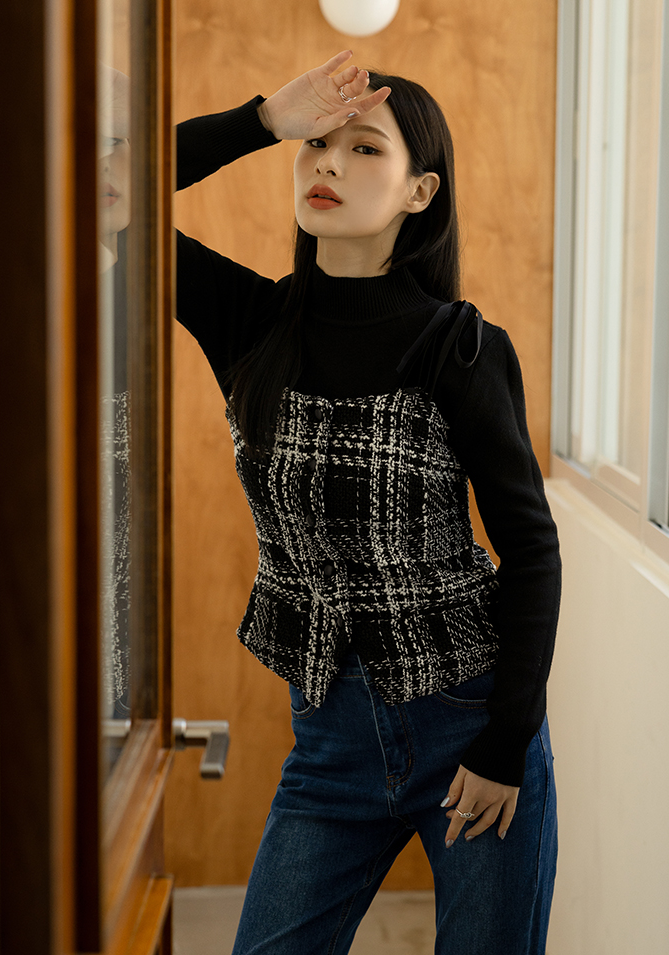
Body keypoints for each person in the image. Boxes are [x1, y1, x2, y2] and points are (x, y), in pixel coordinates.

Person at [175, 51, 560, 955]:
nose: (327, 164)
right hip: (330, 739)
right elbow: (91, 193)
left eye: (363, 148)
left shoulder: (460, 346)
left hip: (471, 722)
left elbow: (530, 551)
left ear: (419, 192)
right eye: (315, 145)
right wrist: (261, 120)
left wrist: (505, 746)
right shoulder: (250, 321)